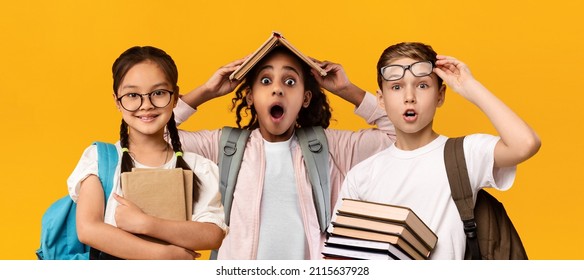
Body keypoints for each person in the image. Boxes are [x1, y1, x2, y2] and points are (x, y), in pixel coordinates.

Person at [173, 45, 396, 259]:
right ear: (250, 97)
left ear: (305, 98)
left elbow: (397, 135)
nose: (277, 89)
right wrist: (206, 91)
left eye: (290, 81)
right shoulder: (223, 147)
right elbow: (153, 138)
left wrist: (346, 89)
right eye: (266, 80)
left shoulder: (330, 147)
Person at [334, 42, 541, 259]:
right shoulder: (361, 176)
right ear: (381, 100)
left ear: (440, 95)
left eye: (422, 86)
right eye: (396, 87)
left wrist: (469, 86)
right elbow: (344, 259)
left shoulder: (465, 154)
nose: (409, 96)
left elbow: (525, 143)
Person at [67, 46, 227, 260]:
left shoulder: (199, 166)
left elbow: (213, 234)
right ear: (117, 101)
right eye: (132, 95)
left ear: (175, 97)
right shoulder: (100, 159)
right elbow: (88, 228)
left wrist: (145, 223)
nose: (146, 105)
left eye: (159, 93)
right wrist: (163, 255)